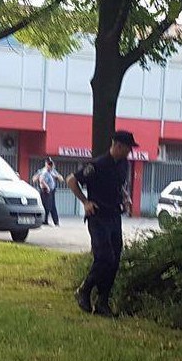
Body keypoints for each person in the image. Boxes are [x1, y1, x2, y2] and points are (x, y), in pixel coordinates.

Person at [66, 130, 138, 317]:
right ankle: (84, 290)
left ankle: (102, 301)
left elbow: (119, 185)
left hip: (114, 216)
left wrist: (125, 196)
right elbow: (71, 180)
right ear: (118, 146)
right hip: (98, 217)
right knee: (104, 257)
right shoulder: (97, 165)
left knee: (115, 260)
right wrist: (85, 202)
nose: (130, 152)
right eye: (128, 148)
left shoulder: (123, 164)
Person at [32, 158, 64, 226]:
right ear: (46, 164)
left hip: (52, 191)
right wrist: (39, 176)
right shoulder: (42, 171)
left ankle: (56, 221)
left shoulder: (53, 171)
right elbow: (34, 180)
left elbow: (61, 179)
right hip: (45, 191)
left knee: (52, 206)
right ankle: (44, 221)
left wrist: (56, 176)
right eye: (49, 164)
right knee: (46, 206)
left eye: (51, 164)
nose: (50, 166)